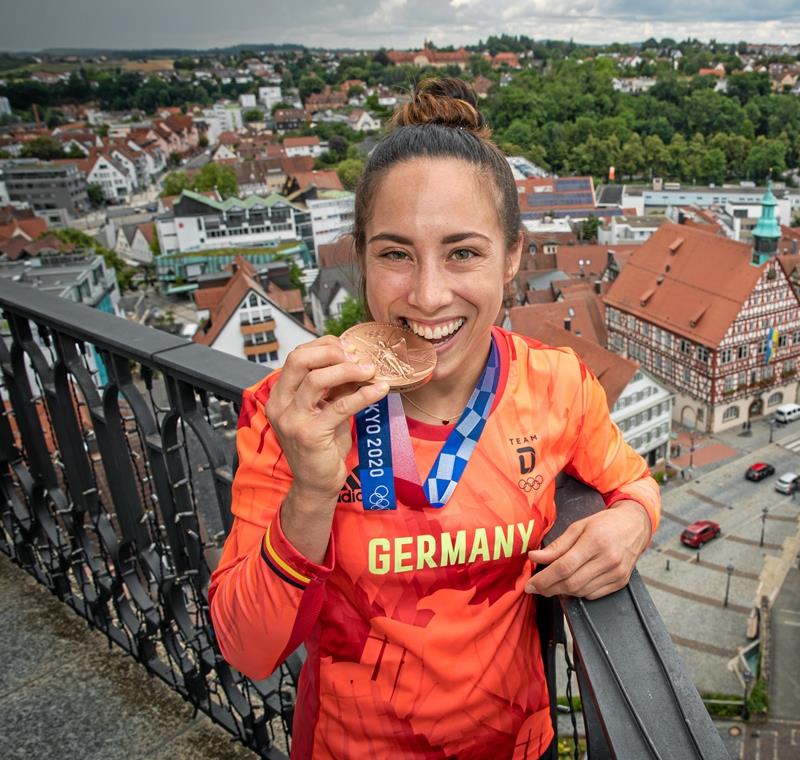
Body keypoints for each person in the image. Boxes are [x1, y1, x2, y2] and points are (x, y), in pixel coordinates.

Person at [207, 77, 661, 760]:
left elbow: (635, 484)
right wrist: (311, 491)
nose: (427, 294)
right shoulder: (297, 411)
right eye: (395, 253)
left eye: (463, 252)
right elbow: (247, 650)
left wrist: (632, 524)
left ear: (511, 257)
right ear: (359, 257)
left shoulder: (556, 385)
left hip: (515, 745)